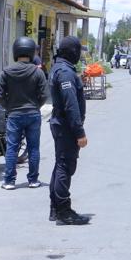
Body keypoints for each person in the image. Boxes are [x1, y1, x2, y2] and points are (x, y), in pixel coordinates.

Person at [48, 36, 89, 225]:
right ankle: (63, 211)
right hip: (66, 126)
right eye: (78, 51)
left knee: (60, 165)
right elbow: (70, 104)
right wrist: (79, 132)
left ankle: (56, 208)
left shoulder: (60, 67)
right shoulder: (65, 72)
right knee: (65, 166)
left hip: (61, 124)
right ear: (72, 52)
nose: (79, 55)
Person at [0, 36, 48, 190]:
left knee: (12, 148)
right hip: (33, 114)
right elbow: (45, 95)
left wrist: (9, 107)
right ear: (32, 52)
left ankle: (9, 181)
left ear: (15, 52)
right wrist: (35, 106)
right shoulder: (37, 72)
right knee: (34, 148)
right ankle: (33, 180)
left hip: (14, 114)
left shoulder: (6, 72)